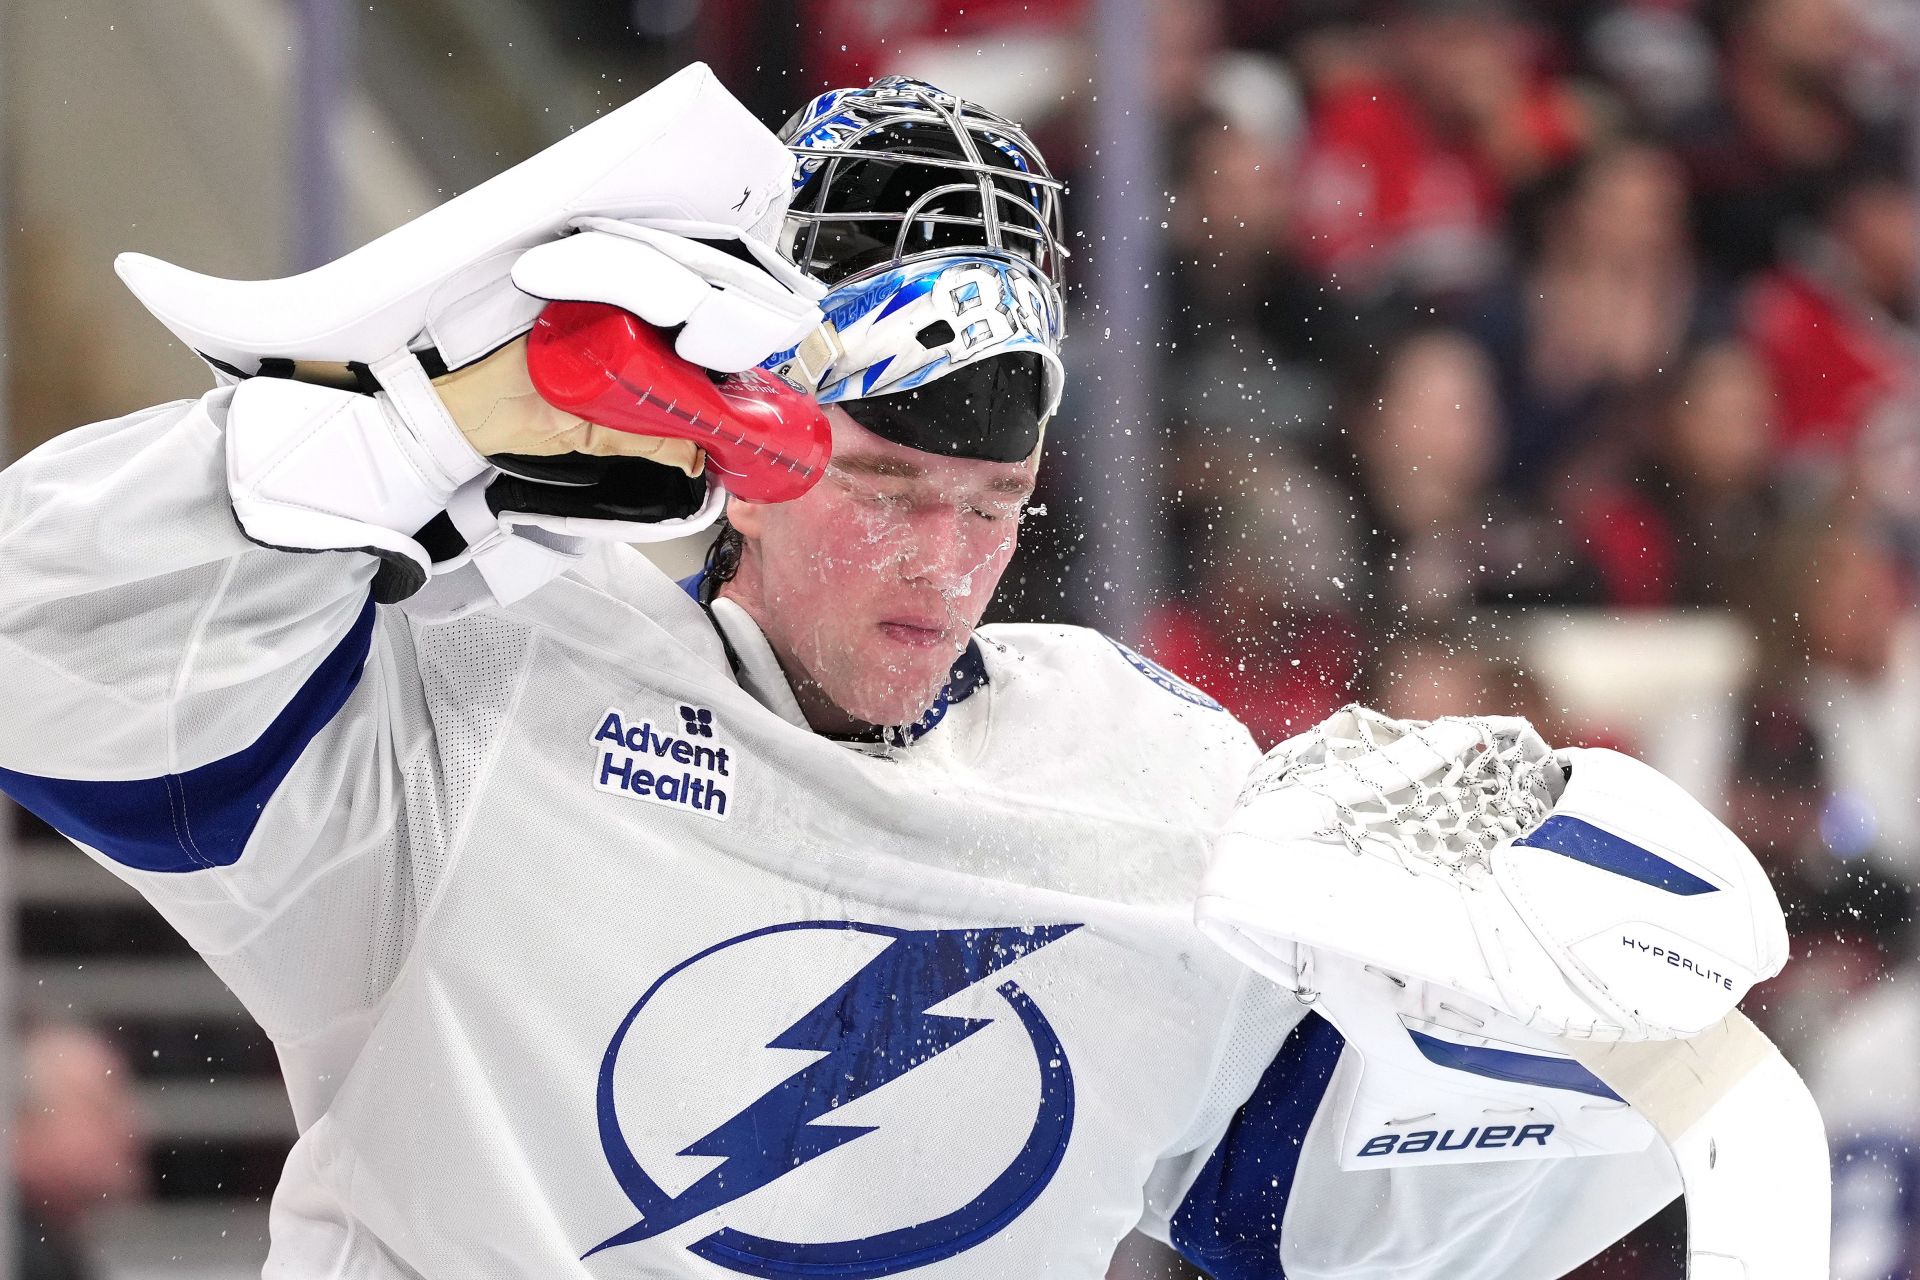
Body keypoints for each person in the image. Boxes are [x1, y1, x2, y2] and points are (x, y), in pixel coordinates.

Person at [0, 66, 1783, 1278]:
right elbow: (36, 641)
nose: (945, 566)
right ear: (736, 448)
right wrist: (420, 426)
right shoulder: (488, 682)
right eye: (885, 488)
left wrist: (1595, 1025)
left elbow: (1345, 1216)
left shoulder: (1140, 773)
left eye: (996, 501)